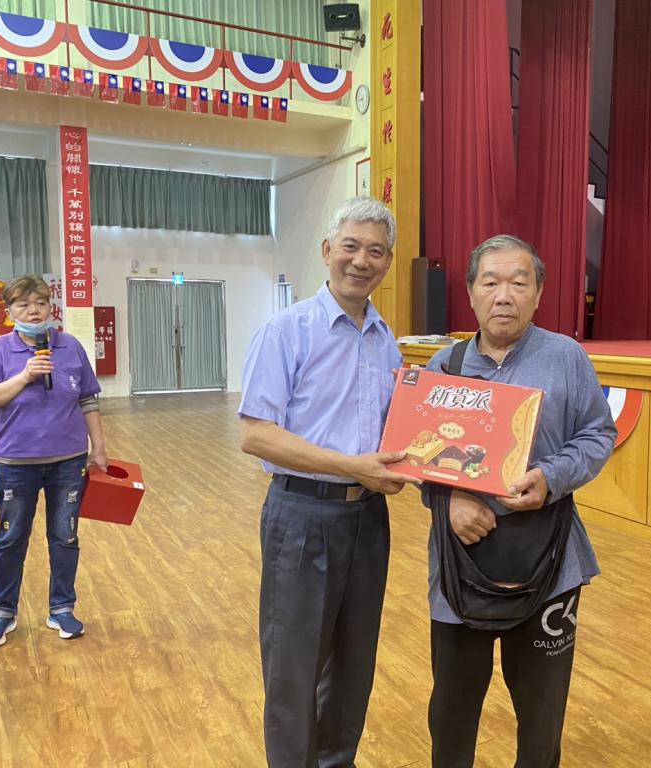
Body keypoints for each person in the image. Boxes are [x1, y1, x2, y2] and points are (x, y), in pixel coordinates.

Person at [422, 235, 617, 767]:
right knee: (452, 712)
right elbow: (418, 453)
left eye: (518, 282)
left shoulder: (566, 358)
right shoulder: (444, 366)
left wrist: (551, 478)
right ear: (470, 293)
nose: (504, 295)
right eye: (490, 282)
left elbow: (598, 433)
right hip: (460, 563)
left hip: (550, 559)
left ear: (538, 293)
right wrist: (449, 498)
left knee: (541, 715)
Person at [238, 197, 415, 768]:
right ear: (326, 251)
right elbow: (257, 436)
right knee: (294, 667)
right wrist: (352, 467)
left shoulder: (386, 340)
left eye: (375, 252)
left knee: (354, 662)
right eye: (350, 247)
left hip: (367, 519)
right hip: (302, 517)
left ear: (388, 262)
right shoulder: (286, 330)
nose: (361, 261)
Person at [0, 275, 108, 648]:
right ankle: (3, 612)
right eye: (24, 304)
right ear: (10, 311)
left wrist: (98, 447)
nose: (34, 311)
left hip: (68, 460)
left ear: (51, 307)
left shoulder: (70, 346)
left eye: (41, 303)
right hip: (16, 461)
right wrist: (24, 376)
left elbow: (88, 399)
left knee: (65, 535)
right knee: (11, 536)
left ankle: (61, 607)